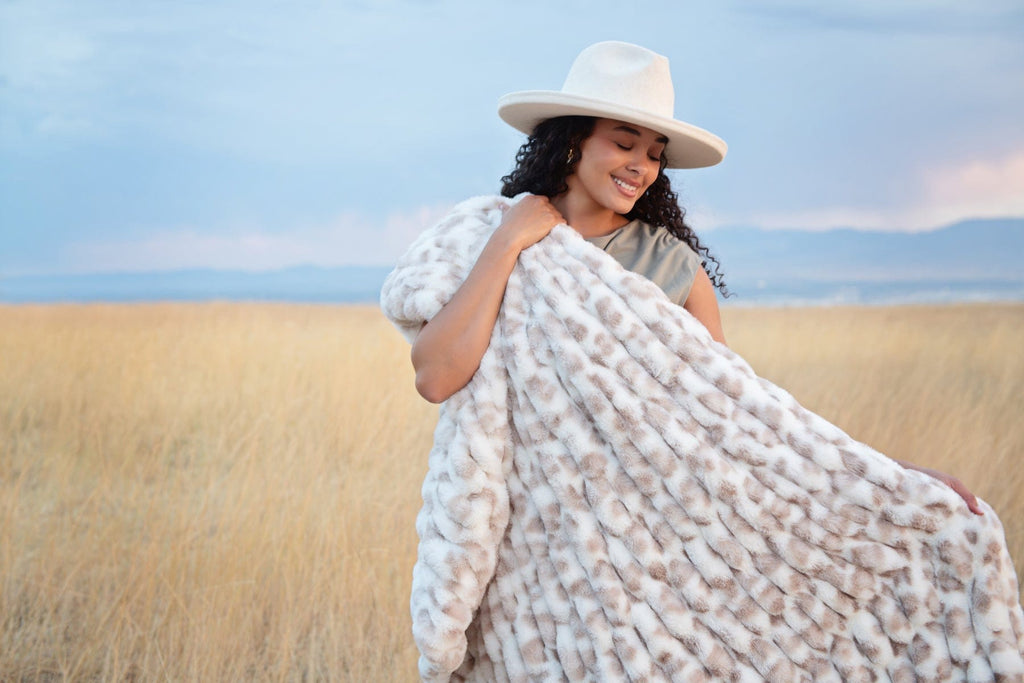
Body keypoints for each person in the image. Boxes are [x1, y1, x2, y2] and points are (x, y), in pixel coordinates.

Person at [409, 40, 980, 514]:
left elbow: (739, 411)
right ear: (572, 138)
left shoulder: (672, 265)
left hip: (636, 521)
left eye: (655, 153)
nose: (641, 165)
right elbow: (436, 378)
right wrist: (510, 240)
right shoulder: (488, 233)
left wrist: (889, 477)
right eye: (623, 142)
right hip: (523, 525)